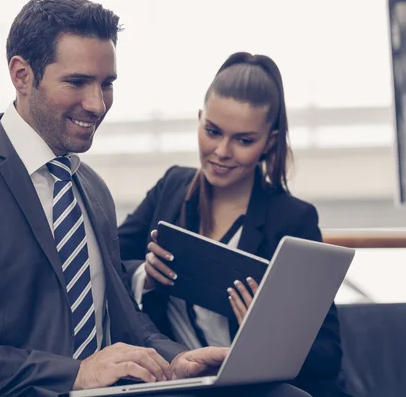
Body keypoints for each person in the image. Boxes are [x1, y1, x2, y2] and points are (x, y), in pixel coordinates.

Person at [0, 0, 310, 396]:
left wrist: (177, 359)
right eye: (77, 82)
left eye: (106, 84)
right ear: (21, 75)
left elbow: (128, 321)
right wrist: (75, 374)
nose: (97, 104)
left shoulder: (92, 189)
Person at [118, 53, 350, 397]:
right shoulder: (171, 188)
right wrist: (145, 278)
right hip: (180, 386)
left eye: (243, 140)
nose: (222, 151)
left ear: (269, 142)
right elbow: (107, 263)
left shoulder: (293, 220)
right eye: (212, 131)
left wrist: (268, 333)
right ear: (199, 120)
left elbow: (328, 355)